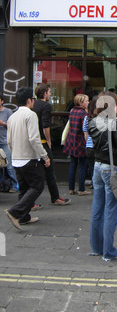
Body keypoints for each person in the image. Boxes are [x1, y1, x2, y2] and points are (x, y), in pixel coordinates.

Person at [88, 91, 117, 261]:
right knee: (111, 210)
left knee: (97, 208)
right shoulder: (113, 123)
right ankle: (109, 252)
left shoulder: (92, 121)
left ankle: (96, 248)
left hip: (97, 167)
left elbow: (104, 139)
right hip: (110, 169)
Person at [6, 87, 50, 230]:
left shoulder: (12, 116)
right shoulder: (30, 115)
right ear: (29, 100)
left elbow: (9, 141)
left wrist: (14, 153)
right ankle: (15, 212)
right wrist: (44, 156)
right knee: (37, 186)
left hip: (16, 158)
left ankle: (24, 217)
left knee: (24, 189)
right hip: (28, 158)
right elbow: (34, 139)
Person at [33, 84, 70, 206]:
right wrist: (48, 141)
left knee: (35, 172)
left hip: (33, 142)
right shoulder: (46, 106)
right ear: (44, 94)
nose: (50, 94)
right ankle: (55, 197)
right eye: (49, 92)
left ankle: (30, 201)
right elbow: (45, 125)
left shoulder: (33, 105)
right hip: (42, 142)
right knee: (50, 171)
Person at [63, 93, 90, 196]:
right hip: (80, 141)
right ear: (80, 102)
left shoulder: (72, 111)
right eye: (86, 101)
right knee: (83, 165)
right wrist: (87, 143)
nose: (88, 102)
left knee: (73, 164)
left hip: (71, 140)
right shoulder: (84, 114)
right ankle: (81, 189)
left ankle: (71, 188)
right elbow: (85, 131)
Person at [0, 93, 18, 193]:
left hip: (5, 141)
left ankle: (14, 186)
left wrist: (3, 123)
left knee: (9, 166)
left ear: (2, 101)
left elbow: (12, 125)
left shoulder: (7, 112)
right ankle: (3, 184)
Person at [83, 95, 98, 189]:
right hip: (99, 147)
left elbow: (86, 134)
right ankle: (97, 184)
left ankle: (94, 183)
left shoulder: (87, 118)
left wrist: (88, 143)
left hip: (89, 146)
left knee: (92, 167)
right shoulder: (102, 119)